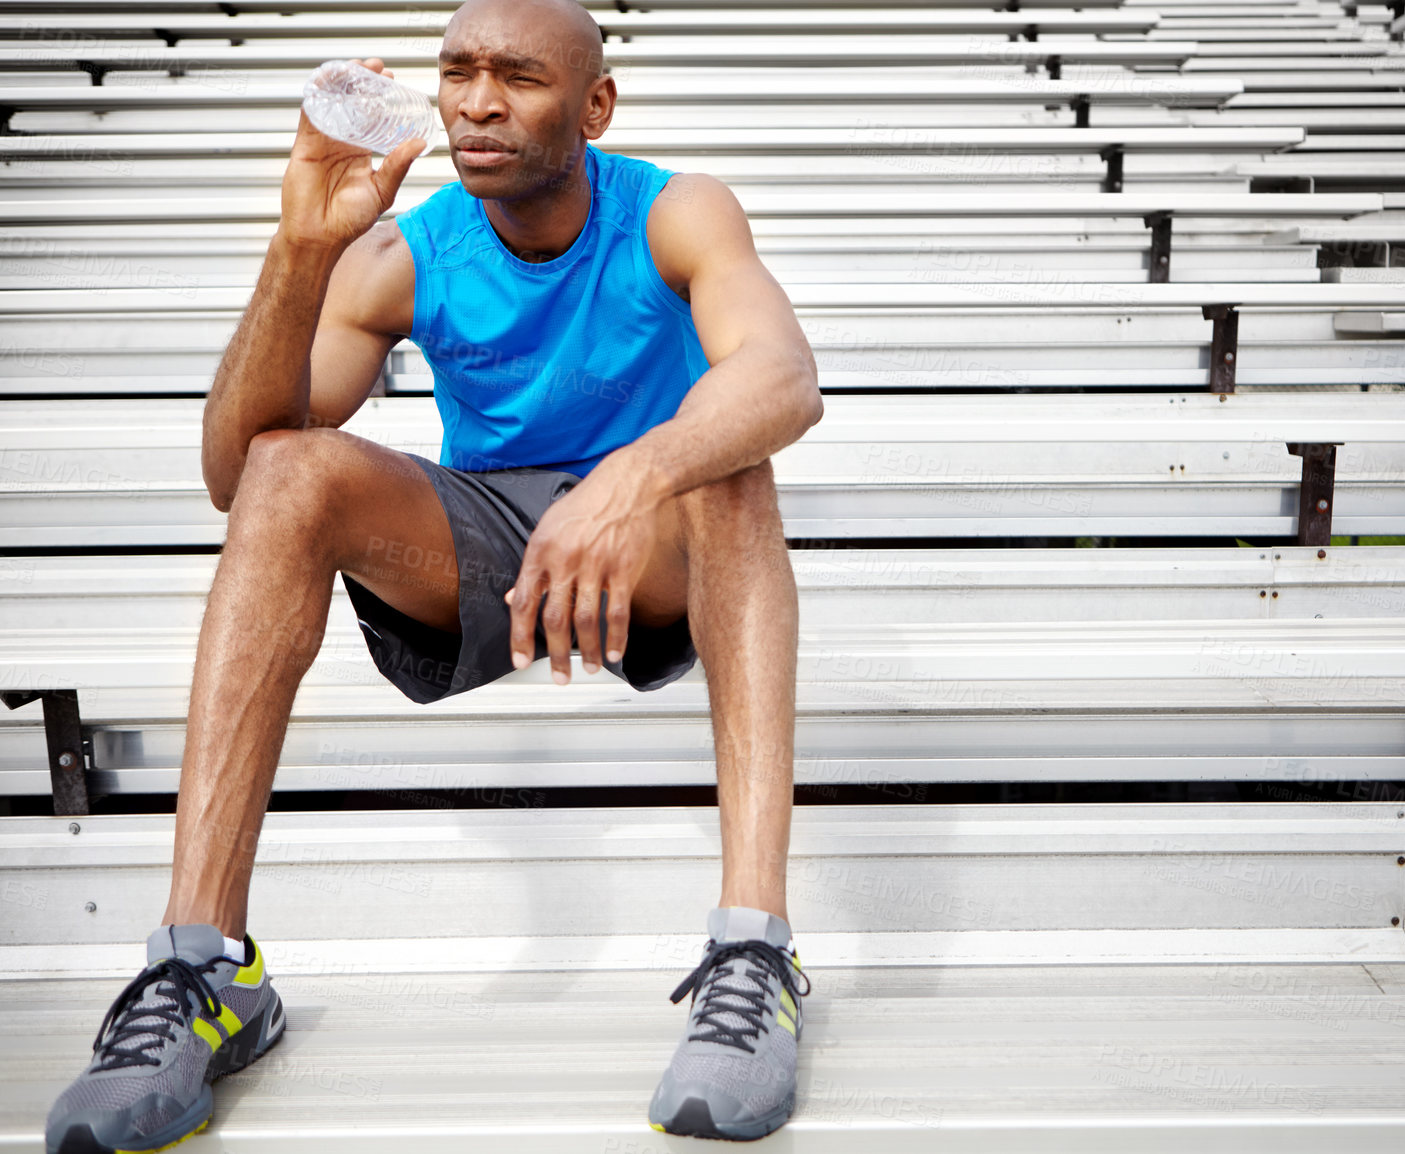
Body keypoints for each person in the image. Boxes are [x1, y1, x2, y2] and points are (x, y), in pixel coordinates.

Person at [43, 0, 822, 1148]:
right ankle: (204, 970)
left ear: (593, 105)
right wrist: (301, 250)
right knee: (289, 474)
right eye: (457, 72)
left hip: (651, 547)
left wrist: (623, 483)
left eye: (518, 75)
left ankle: (755, 945)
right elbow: (235, 468)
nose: (477, 101)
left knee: (734, 466)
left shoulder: (675, 210)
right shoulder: (411, 248)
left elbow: (785, 376)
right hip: (485, 549)